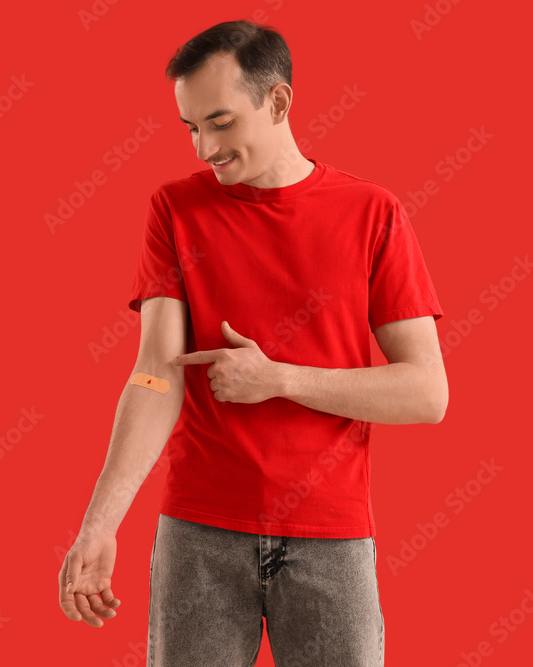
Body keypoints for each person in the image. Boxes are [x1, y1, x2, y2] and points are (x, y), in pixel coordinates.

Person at [57, 19, 447, 665]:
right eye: (190, 128)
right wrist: (99, 525)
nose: (205, 147)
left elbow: (426, 392)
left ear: (278, 102)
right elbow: (156, 372)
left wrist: (282, 378)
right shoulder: (175, 209)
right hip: (199, 532)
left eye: (221, 121)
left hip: (332, 534)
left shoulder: (372, 213)